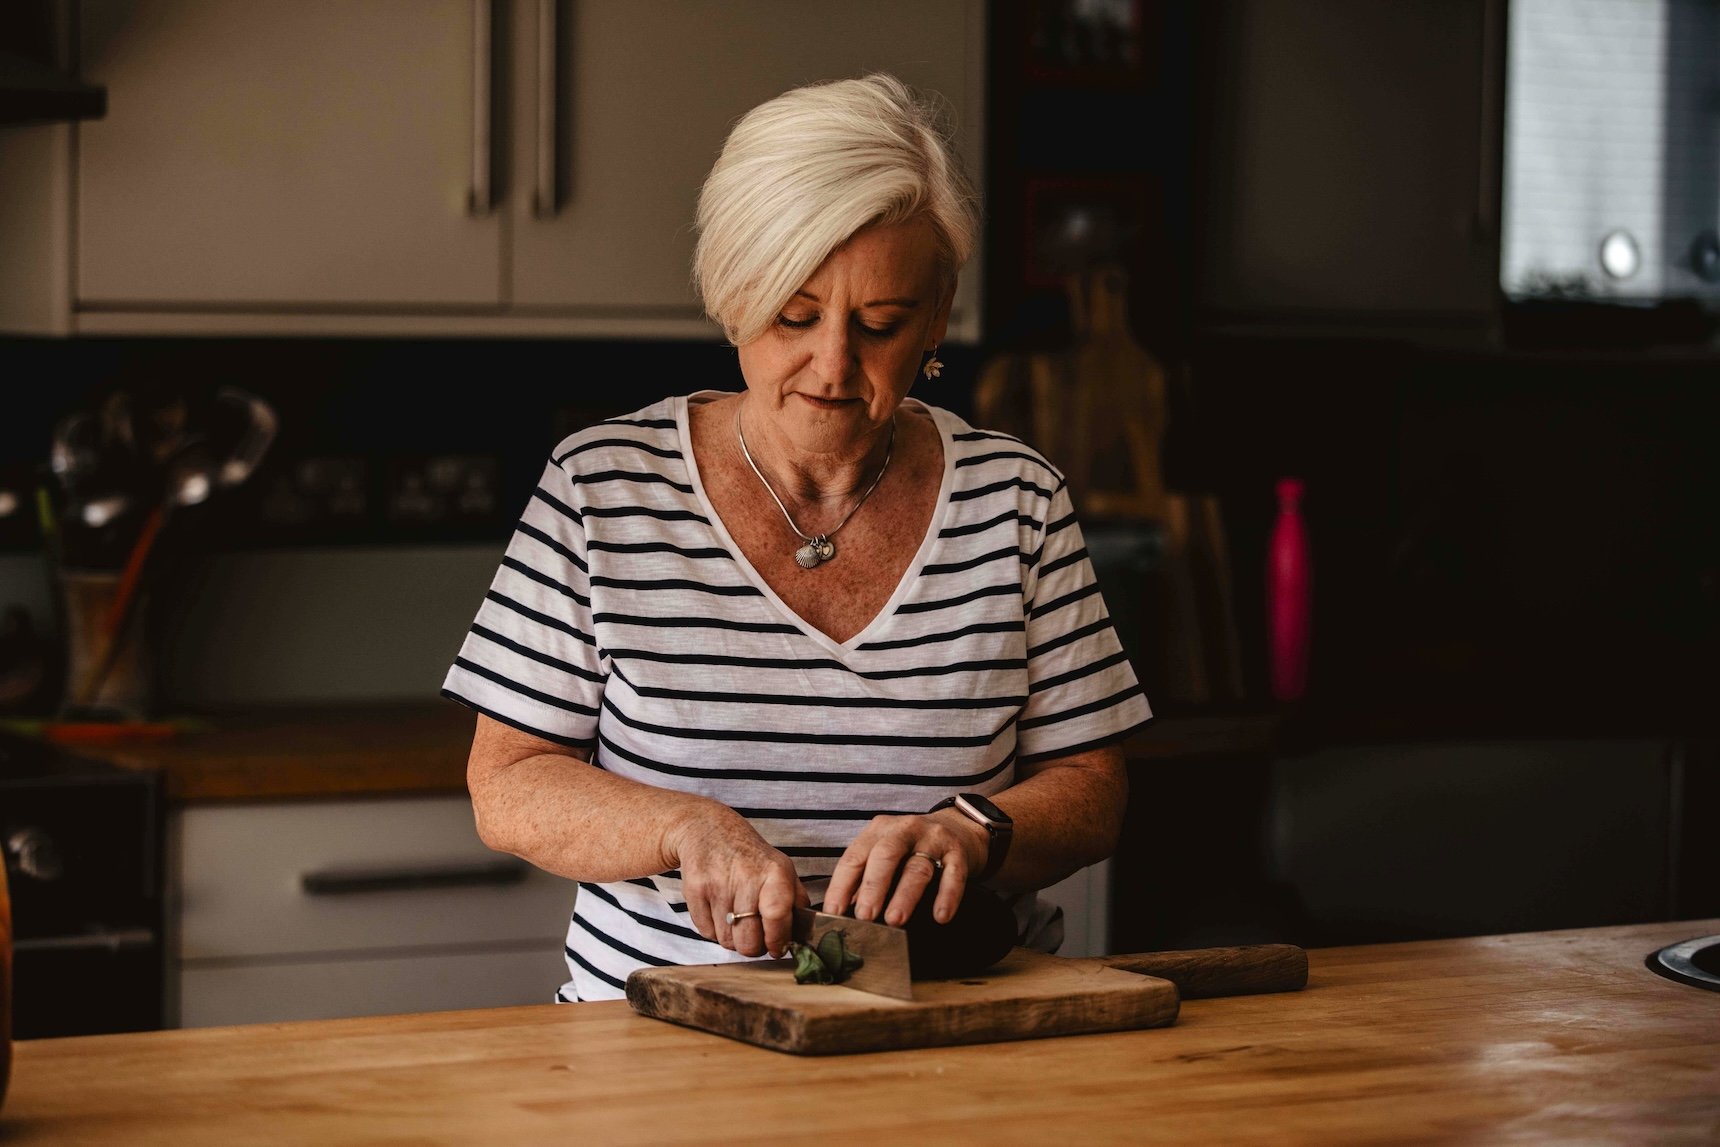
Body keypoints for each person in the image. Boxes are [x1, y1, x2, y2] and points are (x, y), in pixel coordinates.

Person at [443, 74, 1152, 1002]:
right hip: (659, 1047)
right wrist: (684, 828)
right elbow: (508, 783)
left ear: (935, 320)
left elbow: (1092, 786)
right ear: (736, 296)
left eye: (881, 325)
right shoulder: (601, 486)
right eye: (795, 315)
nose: (832, 365)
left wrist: (976, 828)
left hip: (957, 1045)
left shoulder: (1016, 499)